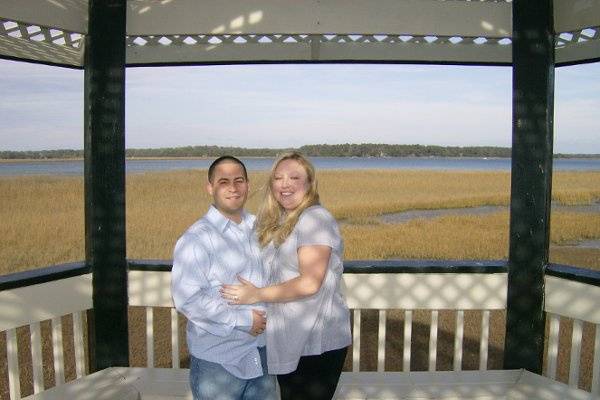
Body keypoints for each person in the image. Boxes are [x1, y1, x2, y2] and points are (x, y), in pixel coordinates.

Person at [221, 151, 352, 400]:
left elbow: (310, 282)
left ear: (310, 184)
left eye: (294, 177)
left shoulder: (316, 218)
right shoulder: (280, 219)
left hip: (316, 340)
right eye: (278, 177)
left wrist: (256, 295)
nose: (285, 184)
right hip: (291, 337)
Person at [171, 156, 277, 400]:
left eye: (239, 180)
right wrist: (243, 319)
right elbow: (187, 299)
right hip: (218, 362)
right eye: (223, 182)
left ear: (248, 185)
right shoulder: (197, 239)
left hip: (261, 355)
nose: (233, 187)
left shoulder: (259, 229)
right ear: (210, 188)